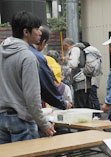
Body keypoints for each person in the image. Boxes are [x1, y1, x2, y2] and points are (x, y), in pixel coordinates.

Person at [0, 11, 55, 144]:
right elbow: (32, 98)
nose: (40, 32)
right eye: (36, 29)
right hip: (22, 120)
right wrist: (44, 124)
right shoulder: (28, 57)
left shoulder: (1, 51)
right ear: (26, 32)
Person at [30, 26, 72, 110]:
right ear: (44, 42)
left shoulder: (11, 50)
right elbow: (47, 87)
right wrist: (63, 104)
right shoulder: (38, 58)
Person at [63, 38, 92, 108]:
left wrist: (67, 59)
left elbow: (73, 64)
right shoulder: (80, 49)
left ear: (66, 45)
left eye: (64, 47)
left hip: (80, 82)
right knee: (85, 104)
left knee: (80, 105)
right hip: (84, 81)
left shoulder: (75, 49)